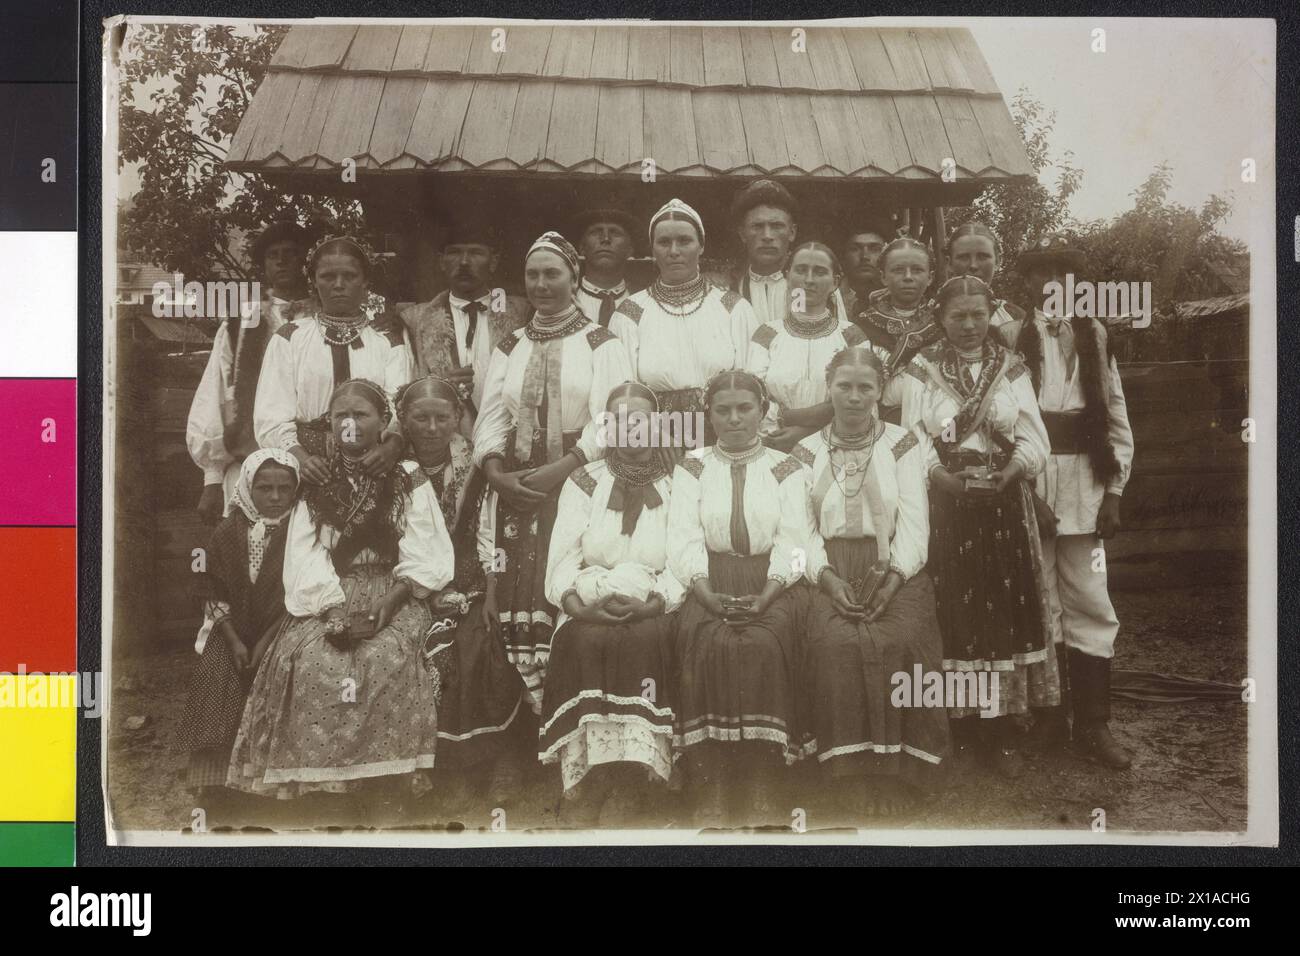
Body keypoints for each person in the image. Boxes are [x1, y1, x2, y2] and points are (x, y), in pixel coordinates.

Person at [228, 379, 452, 808]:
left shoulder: (407, 476)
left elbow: (428, 549)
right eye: (340, 417)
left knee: (386, 654)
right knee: (311, 657)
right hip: (330, 589)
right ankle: (325, 788)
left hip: (395, 587)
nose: (350, 424)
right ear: (328, 424)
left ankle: (384, 784)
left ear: (384, 423)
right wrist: (331, 609)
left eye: (361, 415)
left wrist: (392, 600)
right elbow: (305, 552)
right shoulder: (315, 478)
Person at [896, 275, 1057, 778]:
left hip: (1005, 505)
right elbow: (912, 438)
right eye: (957, 316)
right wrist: (944, 479)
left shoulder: (1010, 369)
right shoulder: (922, 369)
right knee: (956, 610)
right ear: (939, 318)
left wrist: (1010, 474)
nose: (969, 325)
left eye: (978, 315)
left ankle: (1004, 731)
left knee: (1005, 610)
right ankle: (963, 727)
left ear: (991, 315)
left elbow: (1034, 435)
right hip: (948, 504)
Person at [473, 231, 633, 712]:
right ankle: (519, 724)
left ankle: (565, 715)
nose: (541, 284)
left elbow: (612, 420)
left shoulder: (602, 342)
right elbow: (492, 418)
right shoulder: (510, 344)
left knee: (558, 581)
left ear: (574, 278)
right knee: (509, 588)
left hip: (579, 478)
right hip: (514, 482)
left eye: (553, 273)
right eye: (533, 274)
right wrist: (497, 473)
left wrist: (564, 468)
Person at [792, 348, 947, 817]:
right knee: (835, 644)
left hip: (894, 568)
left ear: (881, 391)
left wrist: (895, 576)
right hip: (827, 570)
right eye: (844, 386)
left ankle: (898, 769)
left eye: (865, 387)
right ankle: (848, 771)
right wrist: (825, 578)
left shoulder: (903, 444)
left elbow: (917, 526)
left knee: (899, 638)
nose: (855, 397)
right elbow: (797, 532)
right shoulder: (804, 451)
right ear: (829, 388)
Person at [1000, 233, 1135, 769]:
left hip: (1085, 482)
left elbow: (1115, 409)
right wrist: (1022, 490)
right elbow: (1003, 417)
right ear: (1028, 284)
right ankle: (1051, 720)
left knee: (1090, 599)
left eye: (1063, 276)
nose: (1051, 284)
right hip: (1030, 481)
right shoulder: (1010, 334)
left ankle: (1095, 725)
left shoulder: (1095, 334)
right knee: (1041, 600)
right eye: (1040, 275)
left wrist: (1116, 491)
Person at [666, 370, 814, 826]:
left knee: (762, 646)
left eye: (744, 408)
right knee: (705, 643)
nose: (733, 419)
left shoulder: (788, 467)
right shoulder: (691, 466)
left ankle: (763, 775)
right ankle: (712, 777)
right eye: (722, 410)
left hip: (773, 581)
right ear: (708, 415)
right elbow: (683, 539)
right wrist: (706, 594)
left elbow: (794, 542)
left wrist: (767, 595)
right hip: (709, 578)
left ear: (763, 411)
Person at [540, 382, 684, 826]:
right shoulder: (584, 480)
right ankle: (594, 772)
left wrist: (656, 602)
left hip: (655, 602)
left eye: (641, 418)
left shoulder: (682, 479)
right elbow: (562, 557)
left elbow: (684, 556)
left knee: (643, 642)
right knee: (582, 641)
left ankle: (636, 775)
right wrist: (577, 605)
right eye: (619, 419)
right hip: (590, 597)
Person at [395, 375, 526, 793]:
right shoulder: (393, 468)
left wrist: (489, 589)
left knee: (481, 638)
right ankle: (442, 766)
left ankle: (496, 756)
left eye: (442, 417)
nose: (432, 428)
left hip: (470, 567)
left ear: (457, 417)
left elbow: (489, 532)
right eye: (421, 418)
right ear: (403, 419)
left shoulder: (477, 465)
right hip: (408, 572)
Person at [178, 449, 300, 803]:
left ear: (296, 490)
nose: (275, 498)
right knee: (218, 672)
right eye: (265, 488)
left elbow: (297, 592)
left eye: (284, 488)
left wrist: (263, 642)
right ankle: (210, 775)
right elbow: (211, 589)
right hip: (232, 627)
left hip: (280, 626)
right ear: (248, 487)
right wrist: (232, 639)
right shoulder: (227, 531)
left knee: (277, 674)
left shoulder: (301, 531)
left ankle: (267, 778)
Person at [254, 236, 413, 484]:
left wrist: (390, 448)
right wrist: (301, 459)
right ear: (314, 281)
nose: (339, 285)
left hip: (375, 464)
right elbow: (271, 415)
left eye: (349, 276)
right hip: (309, 467)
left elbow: (400, 406)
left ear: (365, 281)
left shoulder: (387, 341)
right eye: (328, 276)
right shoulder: (290, 338)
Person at [609, 198, 759, 457]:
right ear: (653, 249)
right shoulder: (630, 313)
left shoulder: (733, 307)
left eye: (684, 241)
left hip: (724, 435)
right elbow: (622, 393)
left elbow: (752, 380)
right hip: (652, 443)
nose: (674, 251)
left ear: (701, 246)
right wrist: (655, 436)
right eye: (664, 242)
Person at [188, 221, 310, 521]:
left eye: (291, 253)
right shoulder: (243, 322)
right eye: (273, 255)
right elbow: (217, 390)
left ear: (305, 261)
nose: (282, 260)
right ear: (264, 265)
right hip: (252, 462)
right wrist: (212, 478)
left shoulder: (325, 316)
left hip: (311, 462)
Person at [398, 222, 530, 433]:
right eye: (455, 253)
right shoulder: (415, 319)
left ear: (493, 261)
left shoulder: (523, 313)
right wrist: (440, 388)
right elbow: (406, 389)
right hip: (445, 441)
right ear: (441, 261)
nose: (465, 262)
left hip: (508, 435)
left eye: (476, 253)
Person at [746, 241, 866, 452]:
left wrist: (803, 433)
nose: (809, 280)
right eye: (801, 270)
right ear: (787, 276)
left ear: (835, 282)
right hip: (775, 443)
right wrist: (783, 430)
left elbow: (863, 400)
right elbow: (753, 396)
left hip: (837, 447)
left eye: (819, 272)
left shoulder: (851, 336)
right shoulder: (767, 334)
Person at [945, 221, 1025, 331]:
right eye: (964, 257)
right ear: (949, 263)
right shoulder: (931, 317)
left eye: (983, 257)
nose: (973, 265)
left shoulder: (1015, 317)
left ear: (998, 261)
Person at [572, 208, 640, 327]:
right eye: (595, 232)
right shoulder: (566, 302)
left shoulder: (642, 303)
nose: (606, 239)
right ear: (582, 248)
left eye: (615, 232)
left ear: (629, 250)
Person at [839, 220, 892, 321]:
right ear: (844, 255)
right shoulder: (831, 297)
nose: (865, 256)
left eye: (875, 249)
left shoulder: (899, 296)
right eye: (855, 249)